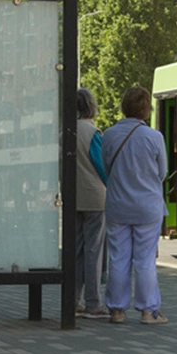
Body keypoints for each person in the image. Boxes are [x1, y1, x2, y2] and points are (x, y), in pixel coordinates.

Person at [102, 86, 169, 325]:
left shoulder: (109, 135)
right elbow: (162, 172)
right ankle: (148, 311)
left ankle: (117, 310)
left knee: (118, 257)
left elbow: (106, 168)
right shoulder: (154, 137)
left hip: (118, 204)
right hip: (147, 206)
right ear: (145, 110)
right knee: (144, 259)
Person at [75, 88, 108, 319]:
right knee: (93, 251)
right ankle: (93, 302)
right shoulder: (92, 132)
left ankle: (73, 299)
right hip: (95, 198)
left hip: (73, 198)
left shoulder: (64, 131)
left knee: (75, 251)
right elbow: (103, 167)